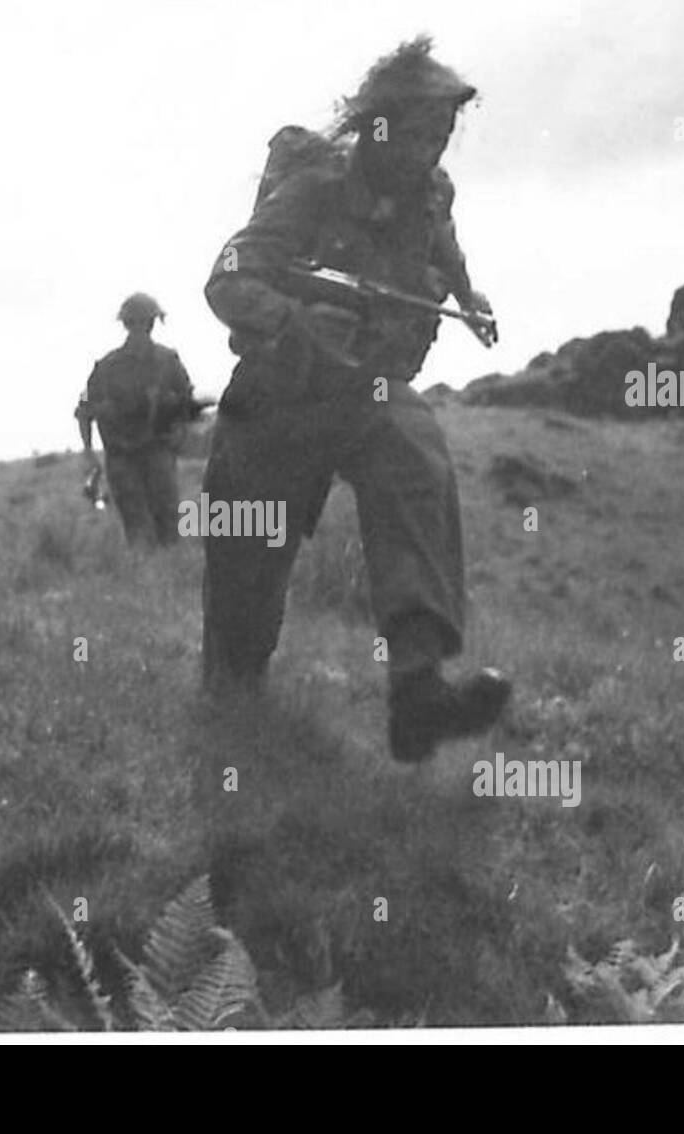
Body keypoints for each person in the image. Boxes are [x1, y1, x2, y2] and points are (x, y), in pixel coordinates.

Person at [199, 36, 511, 763]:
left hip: (364, 393)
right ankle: (234, 719)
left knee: (415, 448)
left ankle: (418, 690)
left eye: (441, 136)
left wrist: (470, 295)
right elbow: (228, 278)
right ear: (376, 124)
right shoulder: (312, 189)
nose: (430, 150)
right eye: (415, 133)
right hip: (274, 404)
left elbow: (446, 250)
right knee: (241, 626)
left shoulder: (431, 195)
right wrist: (294, 320)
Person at [75, 293, 198, 548]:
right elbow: (84, 410)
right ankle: (149, 581)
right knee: (138, 526)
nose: (140, 328)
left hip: (158, 451)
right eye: (136, 322)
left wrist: (180, 431)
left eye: (143, 322)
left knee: (167, 525)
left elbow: (187, 402)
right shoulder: (106, 367)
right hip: (123, 456)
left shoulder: (168, 361)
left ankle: (162, 581)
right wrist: (89, 451)